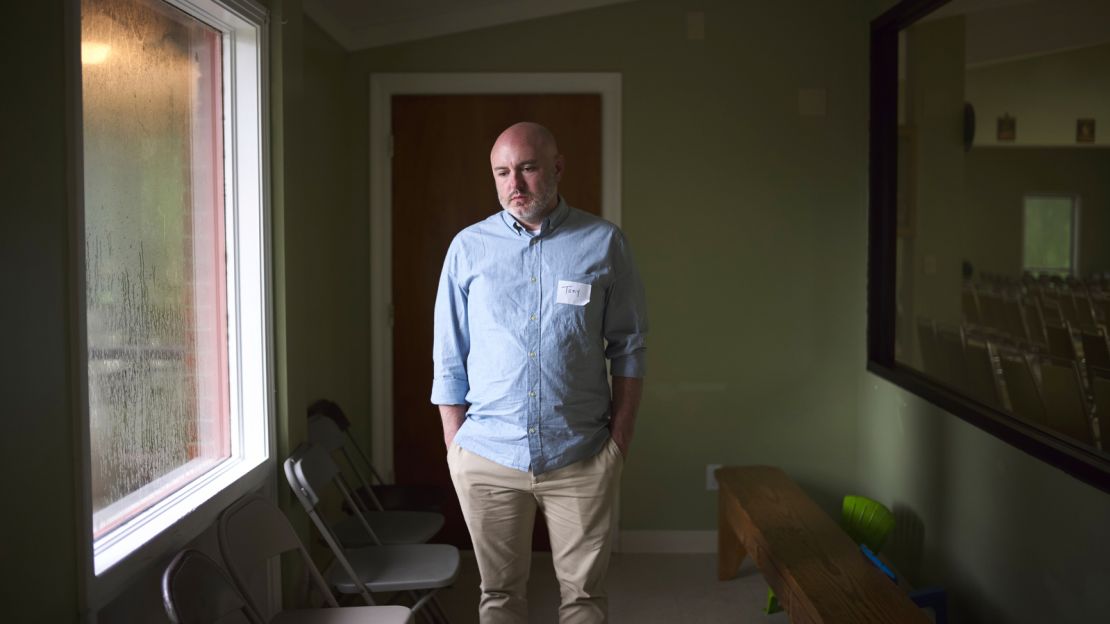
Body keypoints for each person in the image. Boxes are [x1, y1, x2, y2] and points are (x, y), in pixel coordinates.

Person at [431, 121, 648, 623]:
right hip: (486, 456)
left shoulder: (604, 242)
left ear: (556, 168)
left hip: (582, 454)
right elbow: (448, 355)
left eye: (527, 169)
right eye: (502, 172)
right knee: (499, 596)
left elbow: (629, 346)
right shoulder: (468, 248)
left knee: (585, 599)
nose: (515, 185)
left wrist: (619, 442)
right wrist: (455, 447)